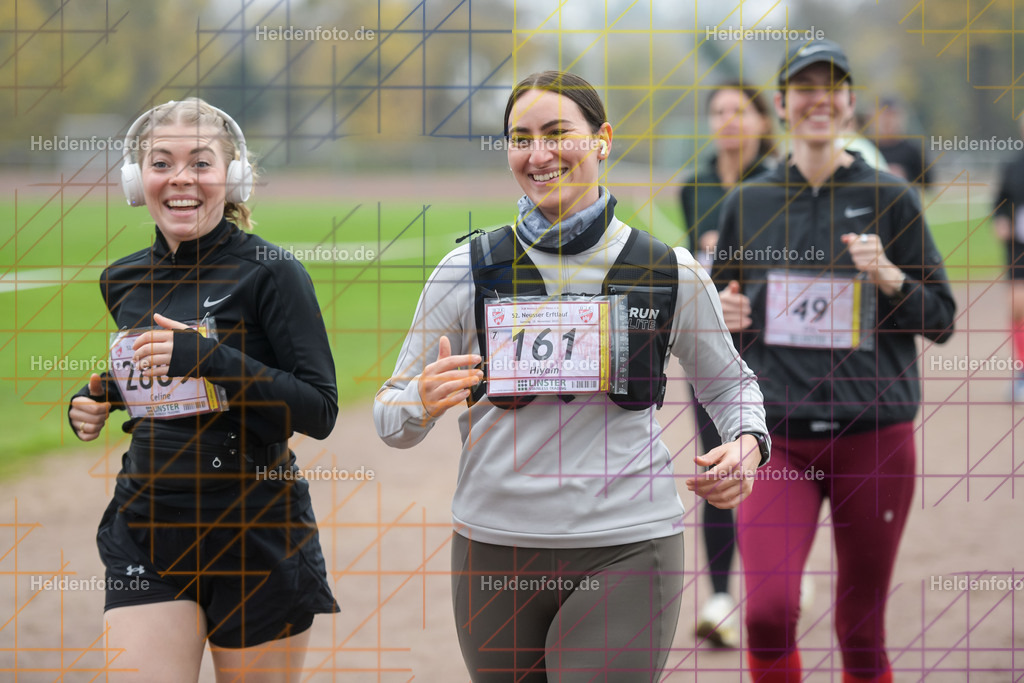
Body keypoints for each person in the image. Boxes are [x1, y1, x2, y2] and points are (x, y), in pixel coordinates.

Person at [374, 70, 772, 682]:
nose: (540, 155)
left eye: (559, 133)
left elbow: (730, 384)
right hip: (493, 548)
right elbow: (390, 417)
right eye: (521, 137)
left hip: (628, 544)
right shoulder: (467, 269)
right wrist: (421, 402)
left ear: (602, 140)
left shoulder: (669, 271)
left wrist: (745, 445)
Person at [67, 98, 339, 682]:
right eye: (161, 162)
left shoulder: (272, 271)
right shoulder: (121, 279)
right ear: (138, 180)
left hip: (255, 533)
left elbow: (318, 409)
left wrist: (210, 358)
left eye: (201, 162)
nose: (181, 179)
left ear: (232, 175)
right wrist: (101, 395)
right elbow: (155, 379)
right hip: (148, 523)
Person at [713, 40, 956, 683]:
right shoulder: (747, 201)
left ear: (850, 103)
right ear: (785, 104)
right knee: (764, 613)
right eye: (804, 87)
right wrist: (727, 319)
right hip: (779, 439)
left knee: (860, 629)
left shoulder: (891, 196)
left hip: (873, 437)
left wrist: (889, 278)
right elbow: (717, 325)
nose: (819, 98)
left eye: (833, 86)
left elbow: (943, 320)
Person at [679, 81, 776, 648]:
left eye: (739, 110)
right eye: (717, 111)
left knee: (774, 464)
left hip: (781, 353)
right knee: (716, 463)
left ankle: (775, 580)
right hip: (716, 348)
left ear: (763, 120)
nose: (728, 121)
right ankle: (719, 598)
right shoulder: (696, 187)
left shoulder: (786, 182)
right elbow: (704, 268)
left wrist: (755, 305)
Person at [992, 115, 1024, 400]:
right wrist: (1000, 220)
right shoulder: (1013, 166)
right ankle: (1022, 371)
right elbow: (999, 203)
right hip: (1018, 247)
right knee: (1018, 307)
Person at [875, 96, 934, 192]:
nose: (889, 121)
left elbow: (928, 184)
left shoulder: (913, 150)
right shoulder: (868, 148)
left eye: (893, 116)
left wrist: (904, 178)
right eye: (885, 116)